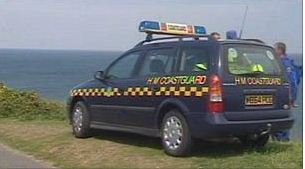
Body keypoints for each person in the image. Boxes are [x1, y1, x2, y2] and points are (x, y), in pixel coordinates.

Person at [272, 42, 302, 141]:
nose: (273, 51)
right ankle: (277, 138)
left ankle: (283, 139)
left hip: (284, 96)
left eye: (274, 49)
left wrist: (292, 98)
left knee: (282, 118)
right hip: (278, 94)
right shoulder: (280, 62)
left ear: (280, 50)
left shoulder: (285, 63)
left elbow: (292, 82)